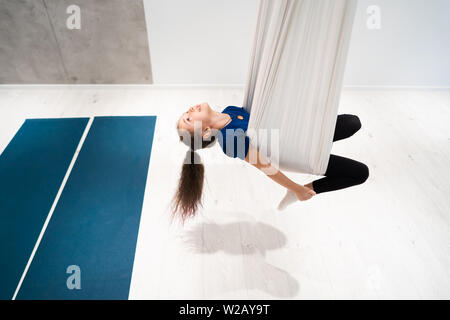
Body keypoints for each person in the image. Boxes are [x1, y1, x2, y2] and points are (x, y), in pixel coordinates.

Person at [173, 102, 369, 222]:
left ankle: (301, 185)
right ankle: (300, 191)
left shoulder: (230, 110)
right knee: (360, 173)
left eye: (186, 113)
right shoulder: (230, 139)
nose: (190, 110)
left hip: (298, 135)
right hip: (296, 153)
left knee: (352, 122)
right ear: (205, 131)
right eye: (189, 119)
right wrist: (297, 189)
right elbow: (266, 167)